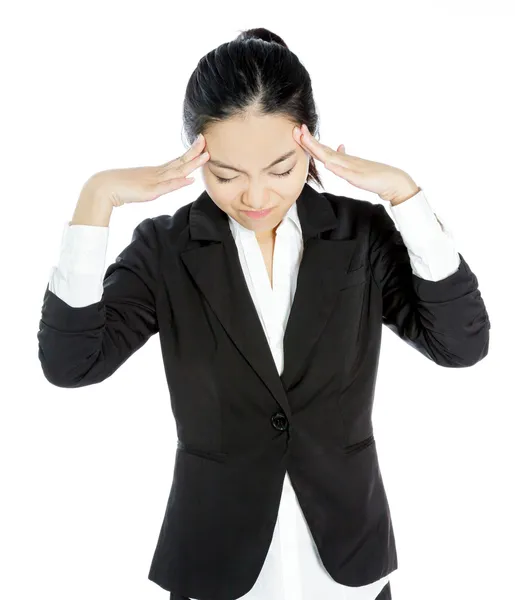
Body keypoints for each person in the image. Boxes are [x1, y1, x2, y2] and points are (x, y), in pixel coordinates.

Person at [37, 27, 490, 600]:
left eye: (280, 169)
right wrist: (96, 198)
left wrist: (405, 196)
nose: (255, 197)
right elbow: (71, 363)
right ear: (194, 152)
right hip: (217, 563)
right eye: (226, 174)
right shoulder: (166, 249)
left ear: (309, 143)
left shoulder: (360, 236)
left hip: (348, 563)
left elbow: (461, 345)